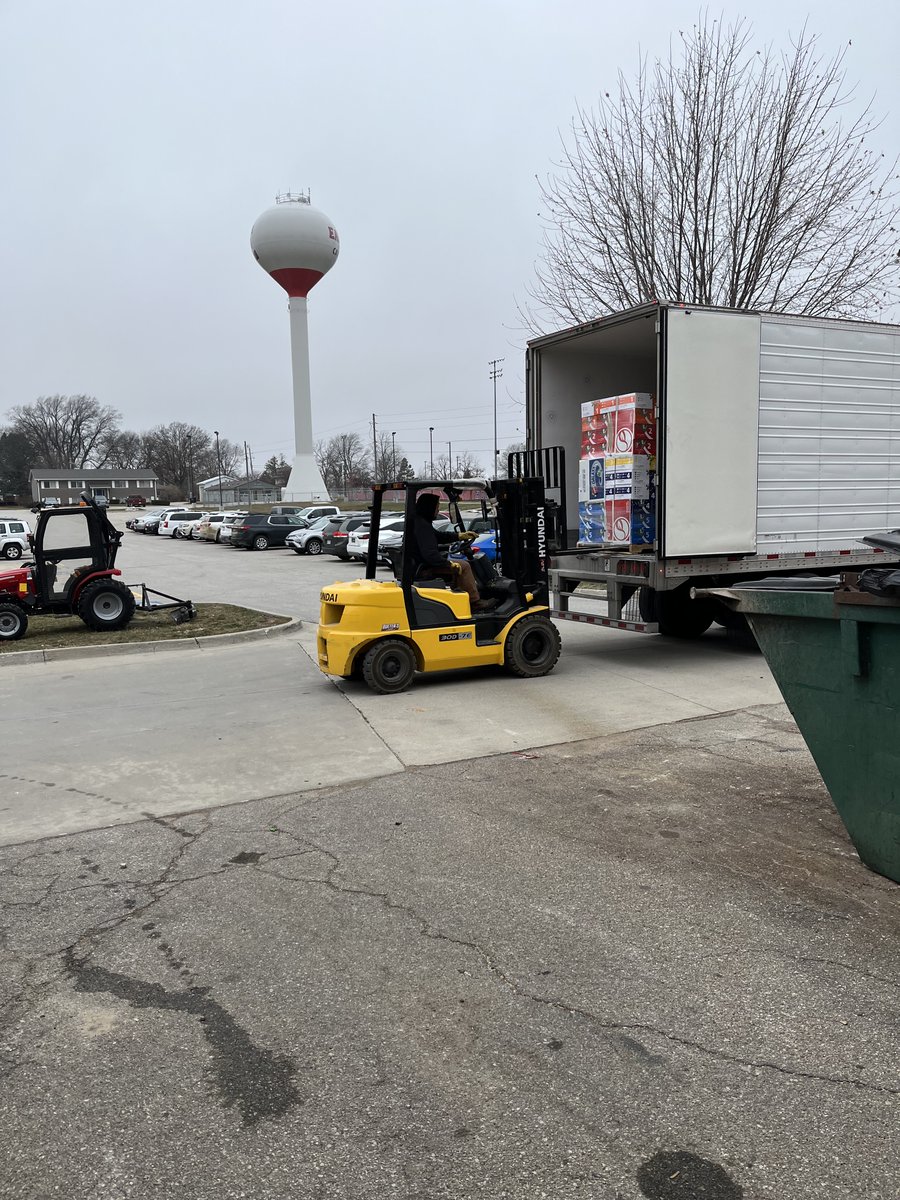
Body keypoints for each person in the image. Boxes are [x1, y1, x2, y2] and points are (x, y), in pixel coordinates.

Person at [408, 492, 496, 611]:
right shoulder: (422, 526)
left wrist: (459, 536)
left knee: (458, 568)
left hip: (418, 566)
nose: (438, 510)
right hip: (424, 569)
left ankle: (459, 600)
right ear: (429, 507)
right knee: (464, 566)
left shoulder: (419, 522)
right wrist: (448, 564)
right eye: (437, 506)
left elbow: (438, 536)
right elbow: (430, 555)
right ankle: (475, 602)